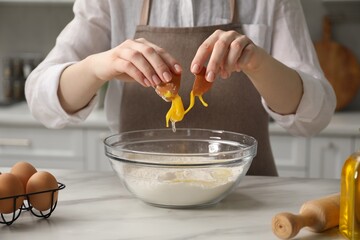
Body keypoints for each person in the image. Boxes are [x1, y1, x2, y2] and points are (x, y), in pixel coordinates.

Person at [25, 0, 336, 176]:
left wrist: (258, 62)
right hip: (142, 194)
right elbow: (40, 97)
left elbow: (315, 117)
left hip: (247, 193)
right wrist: (96, 66)